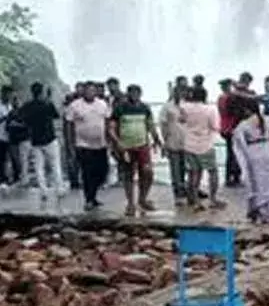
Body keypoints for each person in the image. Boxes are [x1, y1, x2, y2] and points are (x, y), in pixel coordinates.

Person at [232, 98, 269, 224]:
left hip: (254, 151)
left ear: (246, 109)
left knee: (257, 182)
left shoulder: (243, 125)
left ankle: (260, 211)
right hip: (268, 149)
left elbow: (239, 144)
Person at [109, 84, 162, 215]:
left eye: (137, 93)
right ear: (128, 94)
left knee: (148, 173)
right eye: (132, 93)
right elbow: (111, 128)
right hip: (126, 147)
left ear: (140, 94)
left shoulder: (145, 108)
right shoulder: (120, 108)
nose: (134, 95)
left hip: (142, 146)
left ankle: (142, 199)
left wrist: (157, 140)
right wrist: (117, 142)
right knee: (128, 175)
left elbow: (150, 125)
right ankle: (130, 203)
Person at [66, 82, 112, 210]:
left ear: (96, 92)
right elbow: (69, 125)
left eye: (93, 90)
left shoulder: (102, 104)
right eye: (87, 90)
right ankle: (89, 199)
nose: (90, 93)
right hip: (83, 145)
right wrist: (70, 145)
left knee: (102, 171)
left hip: (100, 144)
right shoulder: (74, 106)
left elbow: (107, 122)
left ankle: (93, 196)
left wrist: (110, 141)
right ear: (83, 92)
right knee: (87, 173)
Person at [19, 83, 64, 199]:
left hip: (35, 140)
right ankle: (59, 189)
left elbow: (22, 119)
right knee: (55, 165)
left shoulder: (27, 106)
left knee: (39, 167)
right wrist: (49, 99)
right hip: (50, 139)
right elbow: (56, 115)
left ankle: (43, 192)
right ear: (42, 92)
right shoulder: (47, 104)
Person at [181, 86, 223, 210]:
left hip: (189, 143)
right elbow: (215, 127)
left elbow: (181, 120)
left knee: (194, 173)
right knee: (212, 171)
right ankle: (213, 199)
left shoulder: (185, 107)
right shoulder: (210, 109)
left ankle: (193, 199)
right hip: (205, 144)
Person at [159, 84, 189, 202]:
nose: (181, 94)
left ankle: (183, 188)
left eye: (183, 92)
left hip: (186, 141)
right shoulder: (167, 107)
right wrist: (164, 140)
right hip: (172, 140)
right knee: (175, 168)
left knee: (184, 168)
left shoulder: (186, 106)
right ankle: (178, 192)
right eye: (178, 92)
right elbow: (163, 124)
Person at [217, 79, 243, 187]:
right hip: (232, 127)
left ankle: (229, 177)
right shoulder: (231, 98)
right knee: (235, 153)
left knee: (230, 153)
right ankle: (234, 177)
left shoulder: (220, 98)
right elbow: (236, 112)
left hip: (224, 127)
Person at [0, 85, 13, 190]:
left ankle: (6, 177)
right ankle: (2, 179)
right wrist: (5, 118)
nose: (9, 96)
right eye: (7, 94)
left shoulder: (10, 106)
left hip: (8, 136)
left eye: (10, 94)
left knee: (6, 159)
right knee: (1, 159)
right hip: (0, 136)